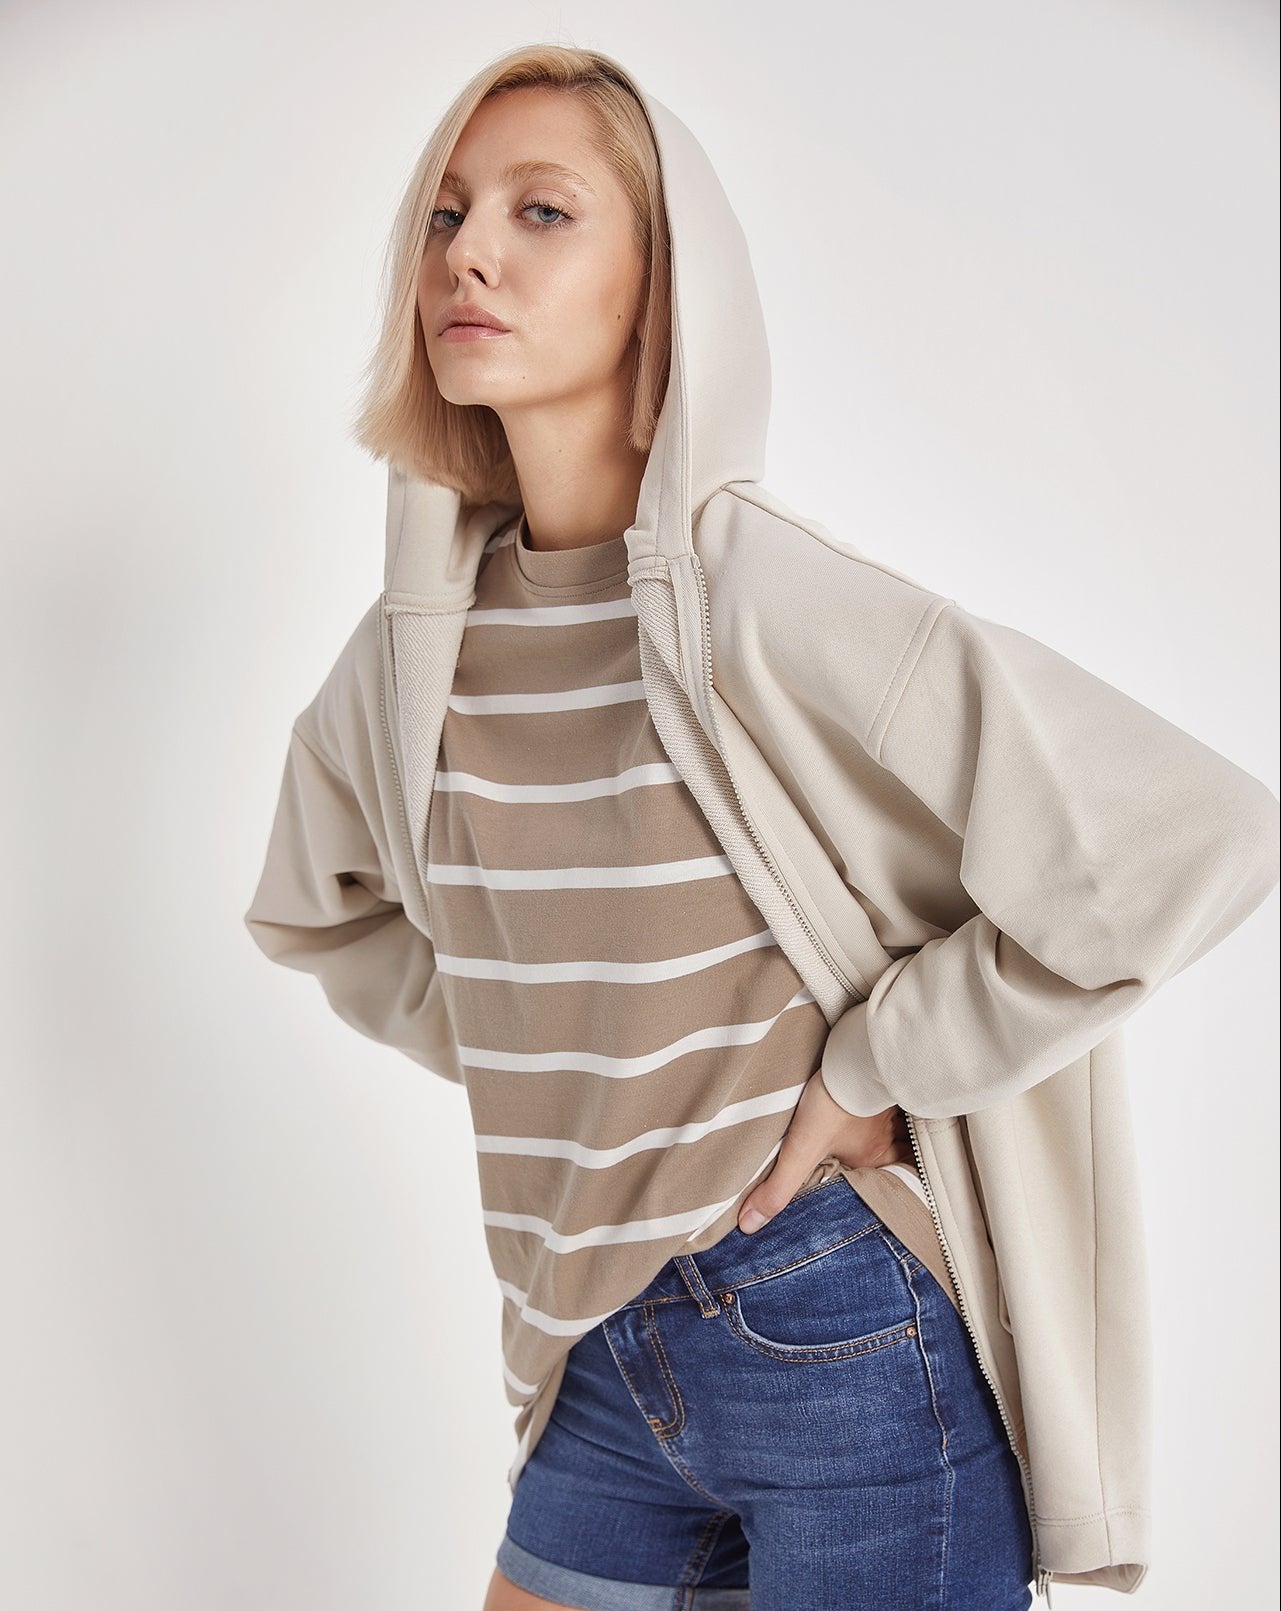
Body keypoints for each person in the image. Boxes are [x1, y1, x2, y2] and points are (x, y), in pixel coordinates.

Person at [243, 42, 1280, 1611]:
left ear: (656, 291)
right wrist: (565, 1050)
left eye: (540, 212)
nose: (466, 253)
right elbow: (314, 910)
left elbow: (1186, 840)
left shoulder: (759, 596)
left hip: (831, 1314)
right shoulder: (410, 657)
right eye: (447, 213)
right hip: (595, 1341)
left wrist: (871, 1066)